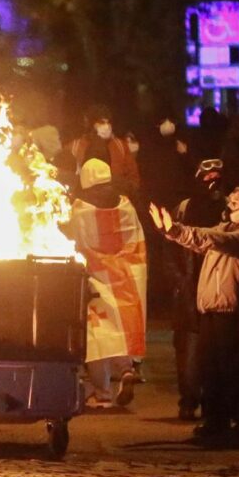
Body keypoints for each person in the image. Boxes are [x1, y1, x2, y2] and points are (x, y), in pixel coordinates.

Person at [150, 186, 239, 446]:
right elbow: (199, 240)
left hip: (229, 307)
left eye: (236, 199)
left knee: (233, 369)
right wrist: (171, 231)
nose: (230, 200)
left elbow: (211, 239)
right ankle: (216, 422)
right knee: (209, 369)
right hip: (211, 307)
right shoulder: (225, 229)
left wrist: (177, 229)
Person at [67, 158, 145, 408]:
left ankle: (102, 393)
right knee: (120, 329)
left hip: (95, 279)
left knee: (97, 337)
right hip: (125, 277)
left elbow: (73, 240)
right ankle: (125, 370)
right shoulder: (126, 206)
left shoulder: (80, 209)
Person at [166, 159, 229, 420]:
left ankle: (216, 405)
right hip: (191, 288)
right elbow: (169, 250)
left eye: (217, 177)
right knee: (190, 349)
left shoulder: (230, 209)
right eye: (207, 178)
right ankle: (190, 400)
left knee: (220, 351)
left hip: (219, 287)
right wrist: (179, 281)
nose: (212, 183)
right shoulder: (184, 209)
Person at [59, 104, 141, 198]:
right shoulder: (74, 147)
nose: (106, 126)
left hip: (116, 203)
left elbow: (133, 178)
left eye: (108, 122)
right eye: (101, 122)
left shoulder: (121, 146)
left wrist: (124, 196)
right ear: (90, 124)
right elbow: (65, 179)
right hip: (85, 204)